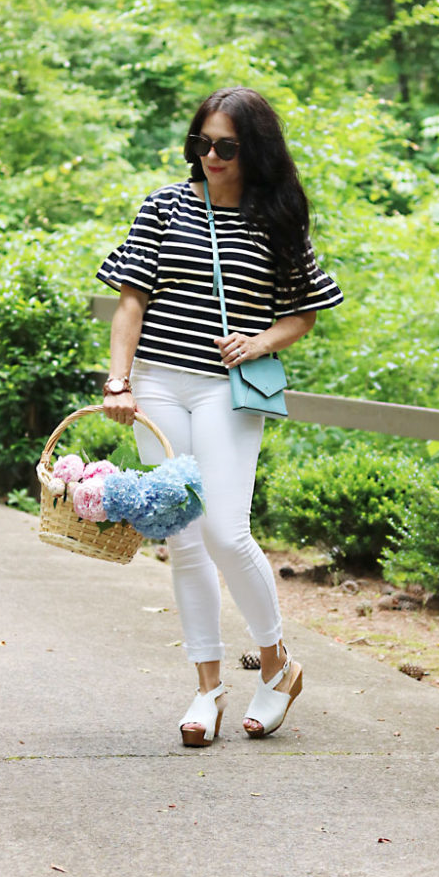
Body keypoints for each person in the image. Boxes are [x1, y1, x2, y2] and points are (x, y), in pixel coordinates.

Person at [98, 87, 342, 746]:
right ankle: (206, 688)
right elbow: (130, 302)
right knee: (181, 535)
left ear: (252, 149)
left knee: (226, 532)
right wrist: (119, 380)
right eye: (199, 143)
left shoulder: (276, 217)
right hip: (155, 383)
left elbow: (303, 311)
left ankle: (277, 665)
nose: (209, 155)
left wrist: (259, 341)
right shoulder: (163, 206)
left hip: (224, 390)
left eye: (225, 146)